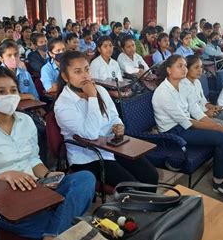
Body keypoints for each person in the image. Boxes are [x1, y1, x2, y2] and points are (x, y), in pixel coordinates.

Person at [0, 66, 95, 240]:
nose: (8, 96)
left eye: (12, 90)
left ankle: (49, 238)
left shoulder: (26, 121)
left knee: (85, 179)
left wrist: (47, 175)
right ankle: (57, 231)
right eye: (0, 92)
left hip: (36, 188)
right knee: (60, 220)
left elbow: (32, 159)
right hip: (1, 201)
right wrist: (6, 175)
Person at [152, 55, 223, 205]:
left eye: (185, 65)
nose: (184, 69)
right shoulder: (163, 93)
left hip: (186, 126)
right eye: (180, 66)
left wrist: (220, 125)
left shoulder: (183, 86)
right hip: (173, 133)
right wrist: (217, 127)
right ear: (169, 70)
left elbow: (196, 111)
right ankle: (218, 182)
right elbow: (187, 121)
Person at [54, 50, 159, 189]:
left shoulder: (100, 90)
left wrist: (118, 126)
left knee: (150, 175)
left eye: (87, 69)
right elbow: (90, 134)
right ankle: (133, 208)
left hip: (111, 147)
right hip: (88, 156)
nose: (85, 75)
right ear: (65, 77)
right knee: (130, 185)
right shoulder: (63, 105)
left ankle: (147, 208)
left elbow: (114, 117)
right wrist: (92, 97)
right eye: (77, 72)